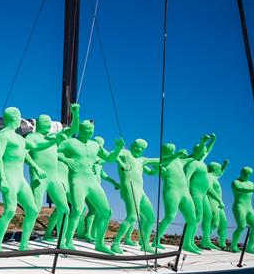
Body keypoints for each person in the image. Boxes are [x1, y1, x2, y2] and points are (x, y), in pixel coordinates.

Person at [56, 104, 122, 254]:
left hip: (92, 182)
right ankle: (67, 241)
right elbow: (53, 151)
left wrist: (117, 149)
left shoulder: (95, 145)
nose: (90, 132)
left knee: (106, 211)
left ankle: (100, 243)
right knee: (78, 210)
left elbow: (110, 158)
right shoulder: (70, 142)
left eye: (92, 130)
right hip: (77, 181)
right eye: (87, 130)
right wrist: (66, 160)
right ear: (80, 129)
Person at [0, 107, 46, 252]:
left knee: (33, 210)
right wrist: (2, 179)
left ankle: (24, 245)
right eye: (20, 117)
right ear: (14, 118)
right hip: (9, 178)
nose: (21, 120)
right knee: (10, 210)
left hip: (20, 179)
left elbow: (32, 149)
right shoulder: (3, 135)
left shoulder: (20, 138)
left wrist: (36, 167)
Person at [149, 143, 200, 254]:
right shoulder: (162, 161)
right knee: (170, 216)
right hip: (172, 191)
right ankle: (156, 240)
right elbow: (157, 167)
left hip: (185, 193)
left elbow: (195, 156)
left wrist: (202, 142)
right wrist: (177, 155)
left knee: (192, 219)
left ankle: (187, 244)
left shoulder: (179, 161)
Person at [25, 114, 69, 242]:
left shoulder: (52, 138)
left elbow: (72, 130)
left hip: (54, 178)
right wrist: (35, 167)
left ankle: (61, 243)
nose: (49, 124)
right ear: (38, 123)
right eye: (46, 122)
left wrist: (75, 114)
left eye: (50, 122)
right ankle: (24, 243)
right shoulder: (31, 137)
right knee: (35, 209)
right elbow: (24, 152)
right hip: (39, 177)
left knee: (65, 209)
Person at [111, 138, 159, 253]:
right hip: (129, 188)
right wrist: (120, 159)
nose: (138, 149)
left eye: (141, 149)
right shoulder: (126, 153)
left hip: (140, 191)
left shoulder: (141, 160)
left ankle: (145, 245)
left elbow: (157, 162)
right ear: (132, 145)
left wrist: (175, 156)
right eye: (137, 146)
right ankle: (115, 243)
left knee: (150, 218)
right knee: (132, 216)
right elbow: (113, 156)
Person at [185, 134, 217, 249]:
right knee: (197, 217)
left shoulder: (202, 162)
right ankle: (187, 242)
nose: (204, 154)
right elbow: (187, 179)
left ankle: (204, 240)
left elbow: (207, 150)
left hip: (203, 194)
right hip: (195, 193)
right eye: (202, 152)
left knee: (208, 216)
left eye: (204, 152)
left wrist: (213, 140)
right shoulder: (192, 163)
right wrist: (187, 192)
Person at [206, 159, 230, 248]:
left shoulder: (214, 177)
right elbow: (209, 189)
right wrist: (219, 200)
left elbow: (220, 173)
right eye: (219, 169)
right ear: (215, 169)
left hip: (219, 204)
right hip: (213, 201)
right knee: (214, 222)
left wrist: (225, 166)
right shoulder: (208, 176)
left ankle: (222, 244)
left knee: (223, 224)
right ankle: (205, 241)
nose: (220, 171)